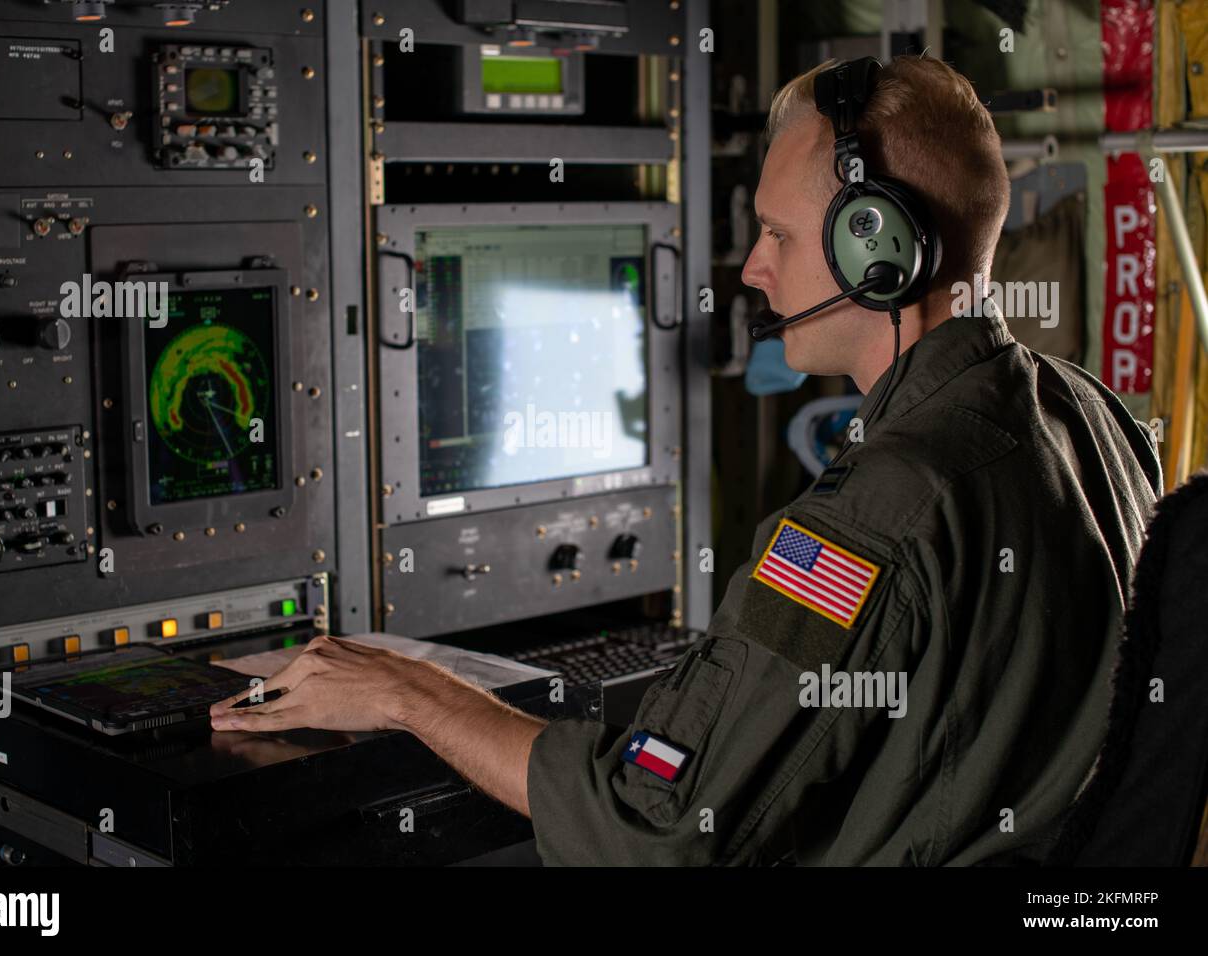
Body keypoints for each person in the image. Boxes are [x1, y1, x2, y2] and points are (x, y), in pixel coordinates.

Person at [210, 55, 1162, 865]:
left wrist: (410, 693)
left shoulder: (876, 512)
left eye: (780, 235)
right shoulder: (1086, 410)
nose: (752, 267)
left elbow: (653, 827)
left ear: (881, 253)